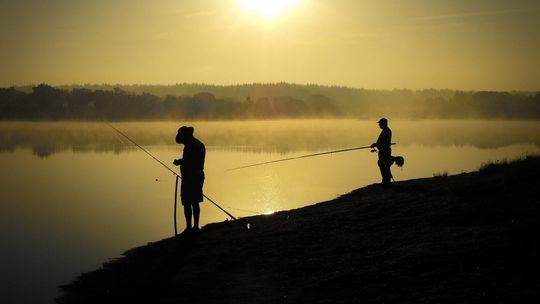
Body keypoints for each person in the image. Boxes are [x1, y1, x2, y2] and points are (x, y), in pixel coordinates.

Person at [173, 126, 206, 233]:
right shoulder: (199, 144)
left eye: (181, 135)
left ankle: (189, 228)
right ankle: (195, 227)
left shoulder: (190, 146)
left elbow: (189, 161)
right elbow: (190, 160)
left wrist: (179, 162)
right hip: (198, 176)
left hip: (190, 178)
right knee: (195, 202)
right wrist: (181, 161)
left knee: (187, 202)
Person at [371, 118, 393, 186]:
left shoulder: (387, 131)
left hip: (385, 151)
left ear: (384, 123)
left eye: (380, 124)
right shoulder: (386, 131)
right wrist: (376, 144)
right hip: (383, 150)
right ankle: (386, 180)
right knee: (384, 165)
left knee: (383, 164)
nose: (379, 125)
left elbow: (384, 142)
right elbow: (381, 142)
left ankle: (386, 180)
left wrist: (376, 144)